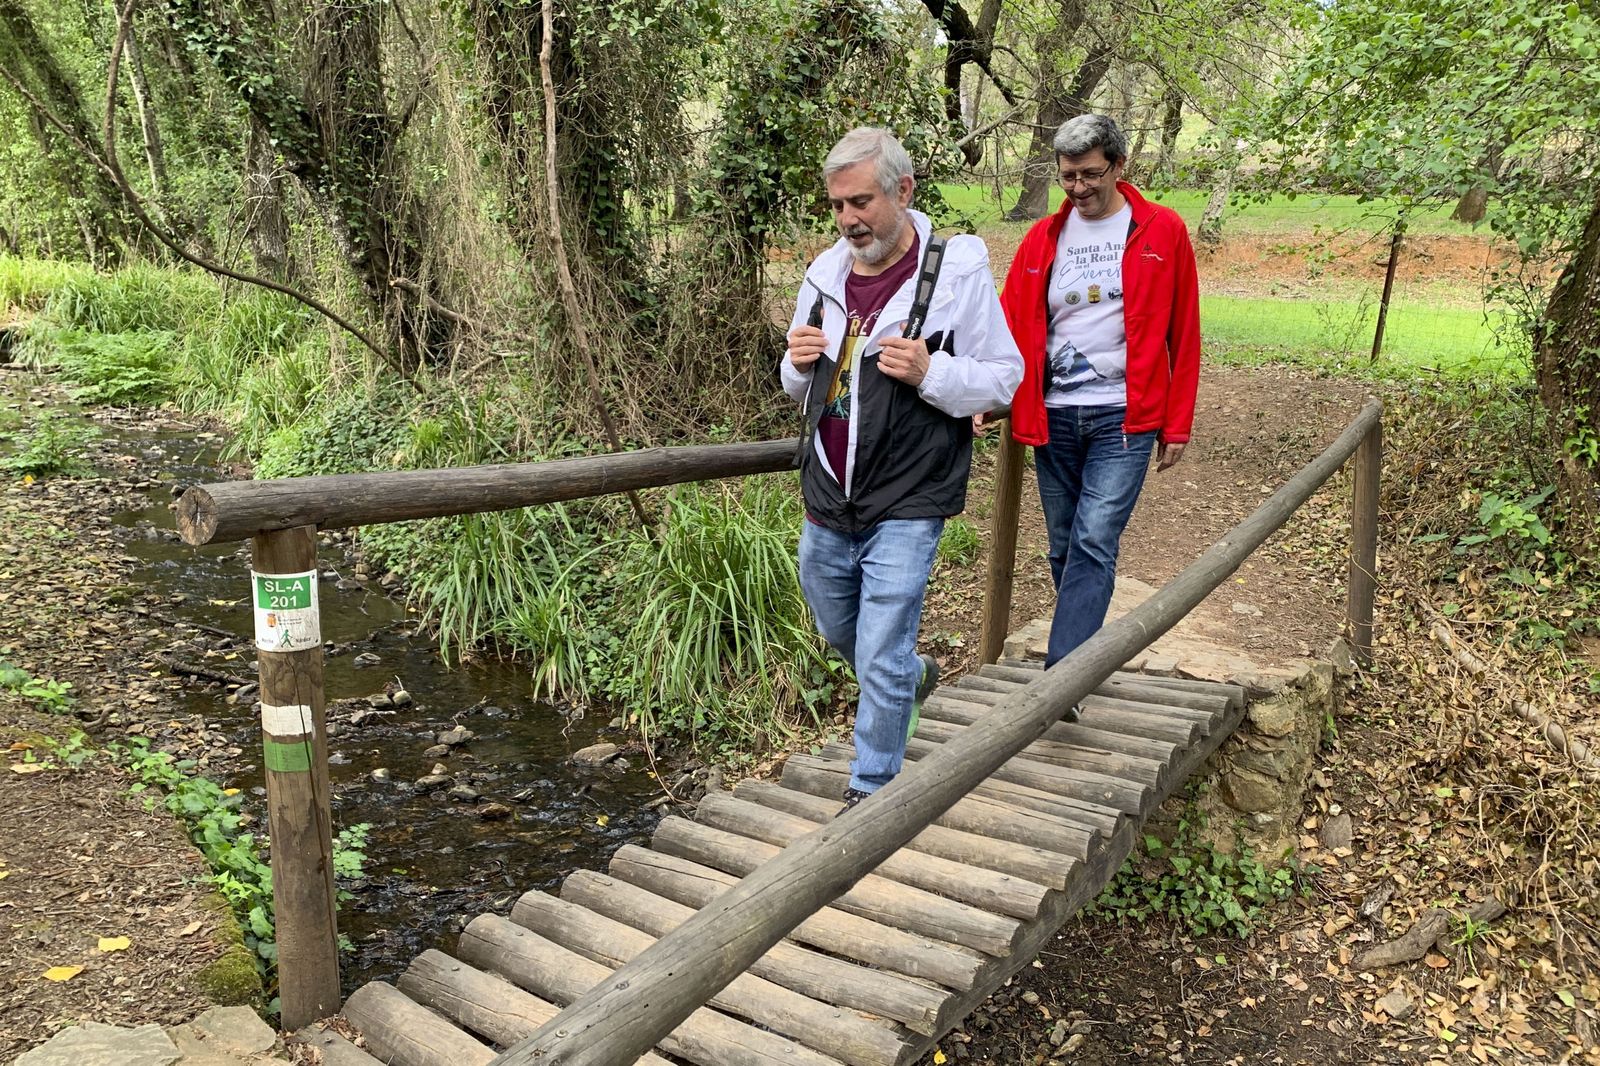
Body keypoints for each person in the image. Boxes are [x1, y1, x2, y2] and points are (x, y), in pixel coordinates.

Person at [782, 127, 1023, 813]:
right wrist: (795, 365)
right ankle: (911, 678)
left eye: (861, 202)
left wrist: (933, 371)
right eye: (837, 205)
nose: (848, 219)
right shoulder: (824, 275)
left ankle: (872, 790)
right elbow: (800, 389)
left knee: (882, 637)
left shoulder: (957, 269)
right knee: (839, 628)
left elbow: (1004, 379)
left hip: (911, 491)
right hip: (829, 488)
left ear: (903, 190)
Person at [997, 113, 1201, 674]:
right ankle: (1083, 650)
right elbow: (1011, 324)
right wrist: (993, 396)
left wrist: (1176, 424)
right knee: (1064, 546)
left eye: (1090, 174)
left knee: (1093, 539)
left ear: (1119, 165)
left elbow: (1184, 332)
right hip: (1053, 416)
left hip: (1124, 417)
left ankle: (1062, 677)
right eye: (1068, 177)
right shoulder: (1042, 238)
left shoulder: (1161, 230)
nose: (1079, 188)